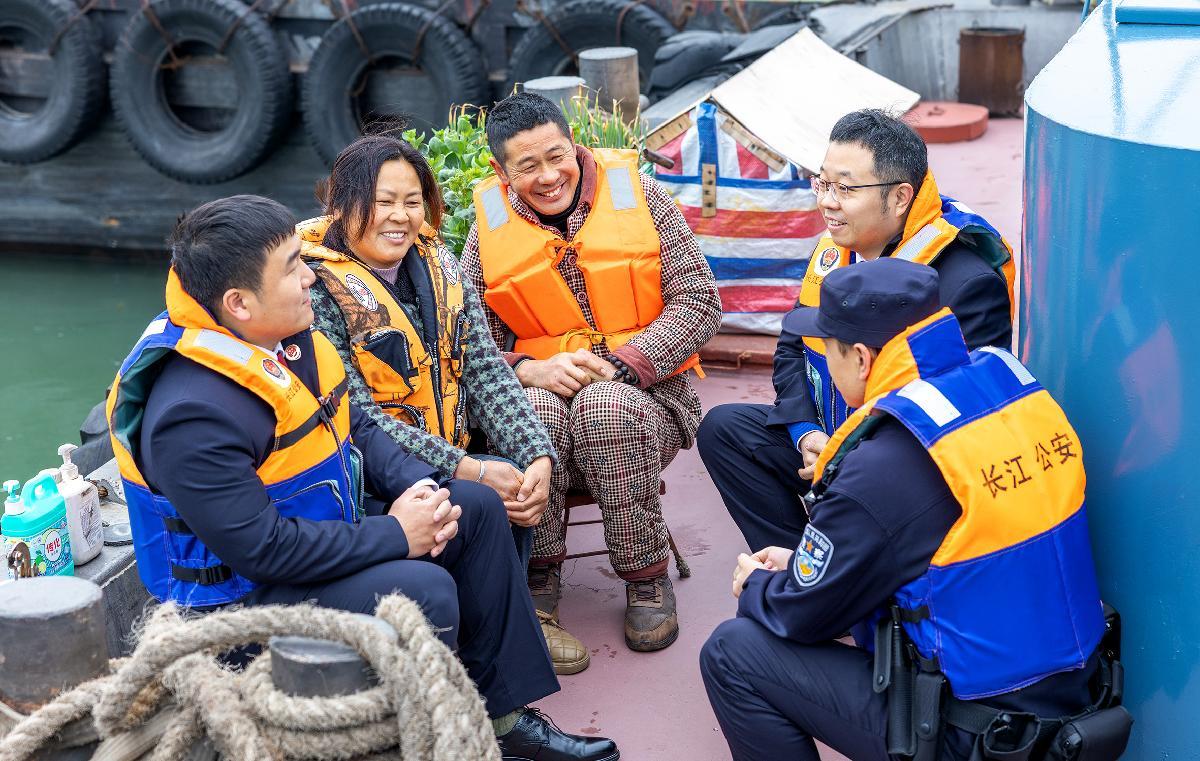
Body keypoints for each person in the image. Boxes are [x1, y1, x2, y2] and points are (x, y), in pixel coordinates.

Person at [105, 196, 618, 761]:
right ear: (239, 303)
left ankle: (502, 721)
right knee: (422, 590)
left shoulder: (282, 341)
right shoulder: (191, 414)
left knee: (472, 509)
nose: (310, 278)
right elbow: (262, 550)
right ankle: (416, 744)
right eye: (293, 269)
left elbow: (360, 433)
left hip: (317, 542)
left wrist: (426, 489)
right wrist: (398, 534)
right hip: (241, 607)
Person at [700, 259, 1123, 761]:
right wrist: (801, 565)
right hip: (1077, 698)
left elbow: (801, 616)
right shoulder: (1007, 392)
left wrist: (758, 585)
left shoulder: (882, 464)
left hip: (982, 734)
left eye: (826, 348)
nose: (825, 363)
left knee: (732, 652)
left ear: (861, 358)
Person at [299, 134, 588, 676]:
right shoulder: (312, 287)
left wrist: (537, 454)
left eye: (412, 202)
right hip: (371, 478)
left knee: (514, 475)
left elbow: (484, 368)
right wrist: (466, 468)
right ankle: (488, 639)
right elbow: (357, 418)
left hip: (447, 450)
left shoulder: (439, 263)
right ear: (339, 205)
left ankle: (508, 619)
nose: (400, 217)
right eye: (383, 202)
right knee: (483, 488)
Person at [461, 92, 722, 653]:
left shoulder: (643, 197)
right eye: (527, 166)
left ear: (574, 145)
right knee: (534, 410)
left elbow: (700, 302)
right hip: (547, 406)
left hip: (647, 403)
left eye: (557, 156)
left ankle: (645, 575)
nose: (548, 176)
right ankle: (538, 571)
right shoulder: (487, 231)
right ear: (501, 172)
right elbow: (466, 338)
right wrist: (527, 369)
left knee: (605, 406)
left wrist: (621, 365)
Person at [699, 108, 1015, 552]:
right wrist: (807, 434)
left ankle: (846, 573)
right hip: (830, 436)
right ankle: (799, 566)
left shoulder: (966, 282)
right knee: (725, 430)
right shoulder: (837, 250)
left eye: (845, 188)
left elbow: (958, 418)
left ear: (900, 197)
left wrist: (847, 455)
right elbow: (793, 346)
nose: (827, 202)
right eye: (823, 183)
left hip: (903, 461)